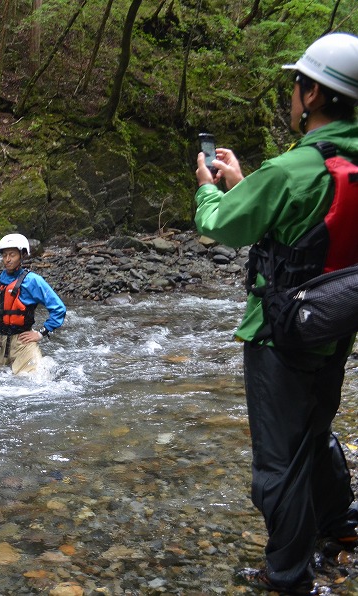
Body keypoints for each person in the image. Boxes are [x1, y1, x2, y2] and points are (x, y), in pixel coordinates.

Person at [193, 32, 358, 595]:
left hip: (279, 336)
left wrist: (210, 189)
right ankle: (343, 525)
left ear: (312, 94)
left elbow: (220, 226)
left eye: (297, 84)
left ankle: (287, 575)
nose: (292, 93)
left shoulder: (292, 170)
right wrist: (248, 185)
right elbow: (305, 228)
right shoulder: (341, 164)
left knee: (277, 464)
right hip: (335, 328)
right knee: (313, 430)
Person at [0, 233, 66, 374]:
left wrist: (41, 333)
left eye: (12, 255)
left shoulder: (32, 281)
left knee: (33, 384)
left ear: (22, 255)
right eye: (4, 255)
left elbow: (59, 308)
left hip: (23, 344)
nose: (7, 260)